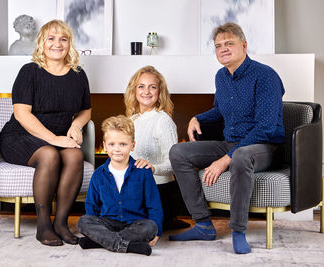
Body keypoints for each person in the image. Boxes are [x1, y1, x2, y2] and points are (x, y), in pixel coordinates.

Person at [168, 22, 285, 254]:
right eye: (218, 45)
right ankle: (202, 224)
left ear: (244, 45)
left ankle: (238, 231)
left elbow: (266, 126)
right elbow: (221, 110)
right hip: (231, 142)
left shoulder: (265, 76)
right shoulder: (221, 76)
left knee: (241, 155)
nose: (223, 48)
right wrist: (197, 117)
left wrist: (225, 159)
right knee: (178, 152)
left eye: (229, 43)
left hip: (263, 146)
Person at [0, 20, 91, 246]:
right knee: (49, 154)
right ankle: (43, 226)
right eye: (51, 38)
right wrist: (53, 138)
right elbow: (21, 114)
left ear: (69, 44)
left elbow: (86, 110)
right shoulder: (30, 71)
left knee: (75, 155)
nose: (57, 44)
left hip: (57, 137)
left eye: (63, 39)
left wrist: (76, 126)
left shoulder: (78, 75)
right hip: (19, 136)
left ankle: (61, 223)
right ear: (42, 43)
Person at [77, 115, 163, 256]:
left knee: (151, 227)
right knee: (83, 221)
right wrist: (92, 230)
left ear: (132, 146)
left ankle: (101, 242)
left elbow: (154, 205)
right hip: (107, 224)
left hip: (134, 224)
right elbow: (91, 205)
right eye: (112, 144)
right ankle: (130, 246)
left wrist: (157, 233)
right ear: (104, 145)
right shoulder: (98, 174)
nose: (117, 149)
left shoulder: (143, 172)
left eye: (123, 144)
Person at [123, 65, 190, 230]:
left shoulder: (163, 121)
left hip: (158, 191)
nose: (146, 91)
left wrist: (153, 168)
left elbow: (174, 163)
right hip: (135, 188)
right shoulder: (130, 120)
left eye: (152, 87)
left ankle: (163, 219)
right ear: (134, 90)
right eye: (141, 86)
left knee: (128, 225)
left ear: (160, 92)